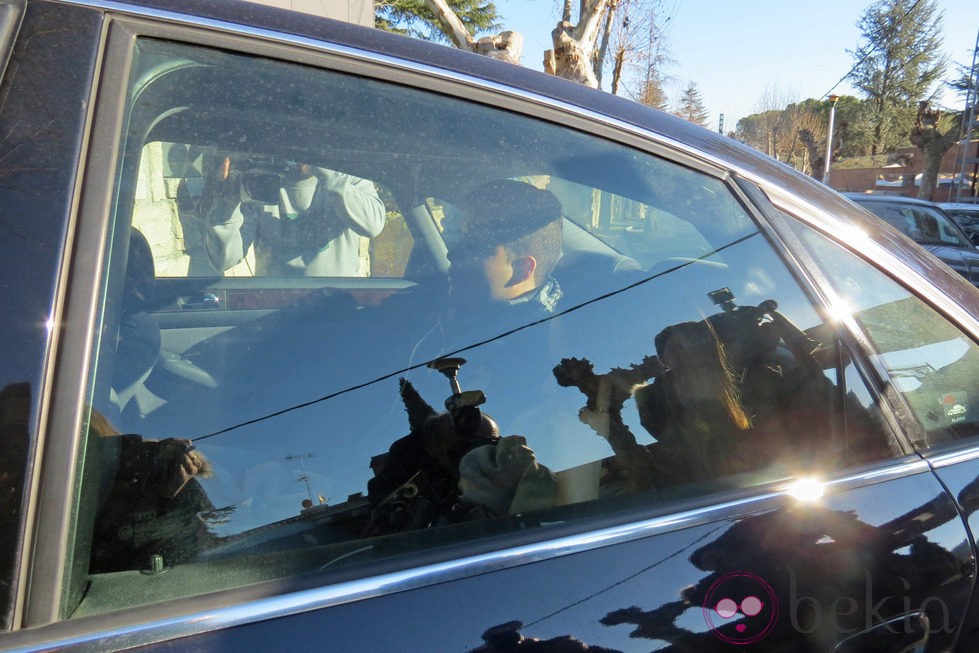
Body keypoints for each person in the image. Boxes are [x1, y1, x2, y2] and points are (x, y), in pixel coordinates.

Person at [202, 155, 386, 276]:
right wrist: (227, 205)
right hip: (275, 306)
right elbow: (223, 260)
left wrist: (327, 170)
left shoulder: (347, 177)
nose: (297, 153)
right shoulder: (258, 184)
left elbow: (373, 225)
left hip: (337, 305)